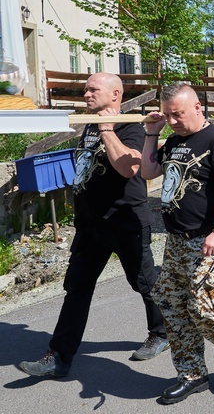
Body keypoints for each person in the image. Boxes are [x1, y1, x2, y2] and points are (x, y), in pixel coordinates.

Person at [19, 73, 167, 379]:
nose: (85, 94)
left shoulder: (129, 125)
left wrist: (107, 130)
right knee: (77, 287)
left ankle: (162, 332)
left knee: (143, 281)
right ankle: (59, 357)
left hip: (125, 220)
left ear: (115, 95)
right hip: (91, 225)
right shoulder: (89, 124)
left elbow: (130, 168)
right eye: (85, 89)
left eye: (92, 89)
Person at [141, 83, 214, 404]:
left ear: (197, 107)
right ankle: (192, 373)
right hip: (176, 240)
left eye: (178, 114)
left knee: (206, 308)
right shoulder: (172, 140)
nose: (173, 120)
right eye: (168, 114)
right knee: (171, 304)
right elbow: (147, 170)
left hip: (208, 239)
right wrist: (151, 133)